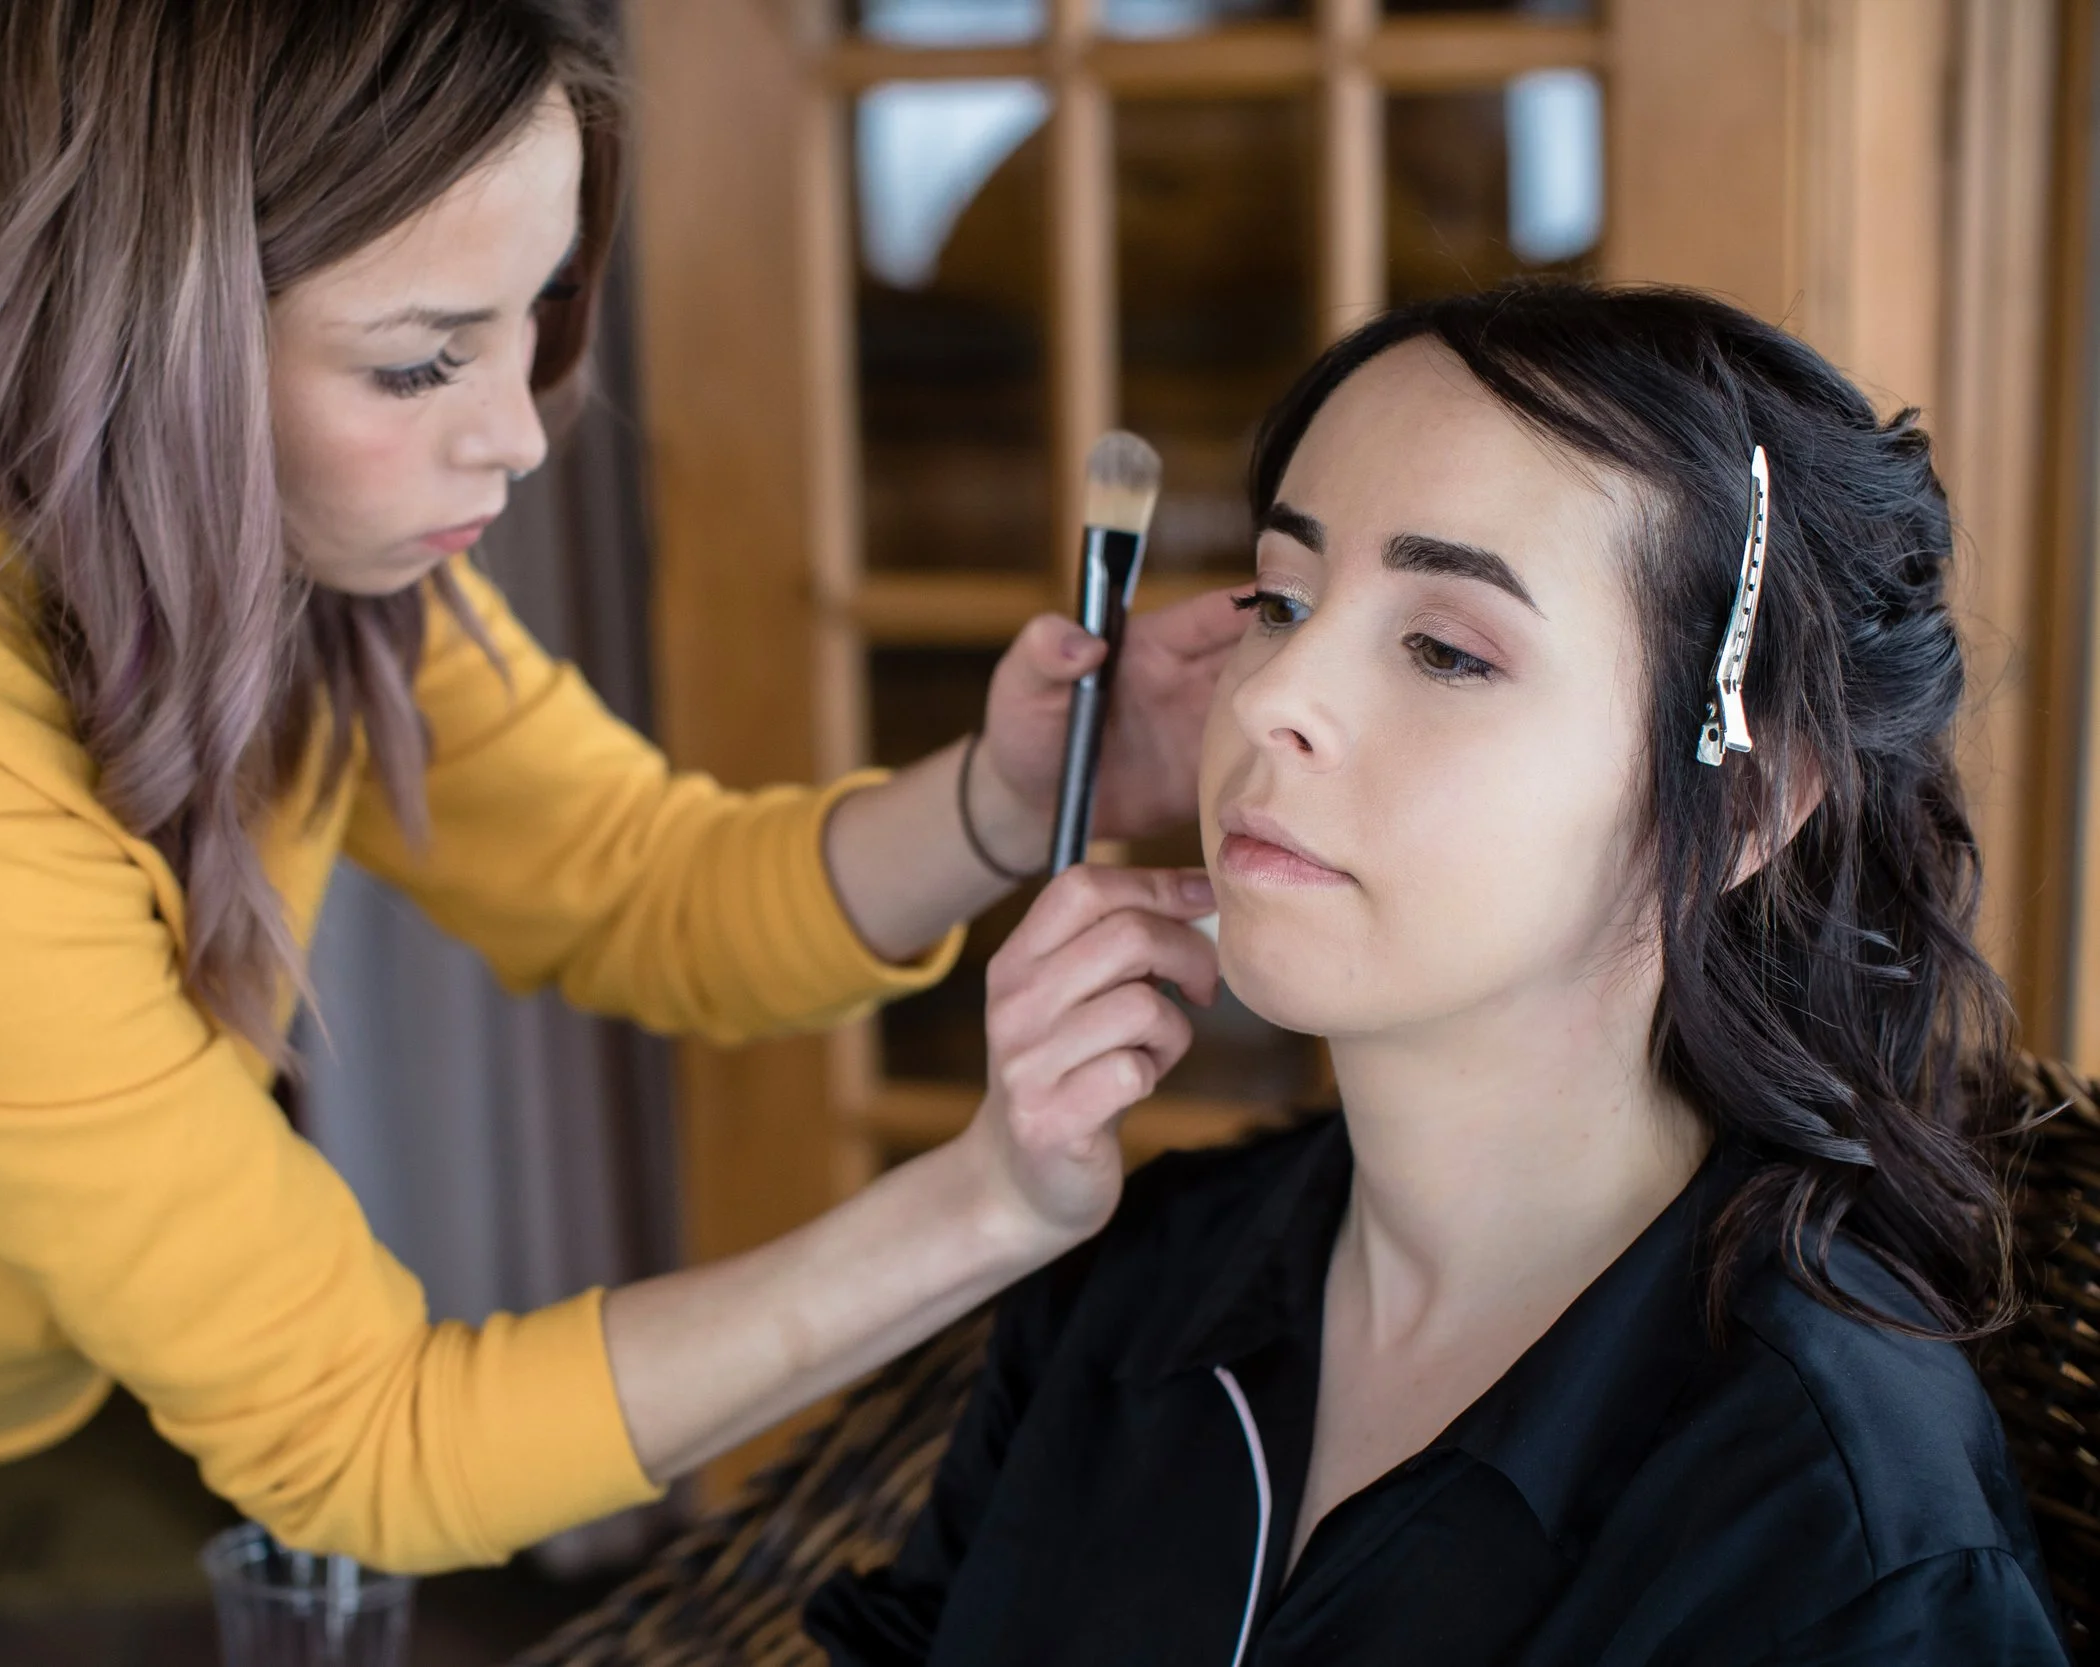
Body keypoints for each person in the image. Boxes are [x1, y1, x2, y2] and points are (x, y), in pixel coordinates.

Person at [0, 1, 1242, 1660]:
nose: (517, 427)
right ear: (148, 333)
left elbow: (638, 888)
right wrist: (989, 1208)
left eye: (534, 313)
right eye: (417, 360)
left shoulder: (200, 494)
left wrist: (1014, 799)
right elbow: (364, 1442)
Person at [803, 283, 2070, 1666]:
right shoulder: (1137, 1275)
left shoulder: (1840, 1537)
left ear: (1752, 805)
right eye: (1279, 598)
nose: (1273, 694)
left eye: (1447, 648)